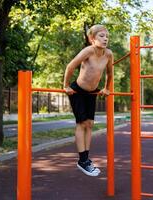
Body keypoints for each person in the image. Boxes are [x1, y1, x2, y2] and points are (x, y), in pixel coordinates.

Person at [63, 24, 113, 176]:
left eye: (107, 36)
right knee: (82, 123)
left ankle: (86, 159)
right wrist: (65, 85)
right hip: (77, 90)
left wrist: (107, 88)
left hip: (92, 92)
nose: (105, 39)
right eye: (101, 36)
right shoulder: (88, 51)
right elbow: (70, 66)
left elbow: (109, 74)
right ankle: (82, 160)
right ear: (92, 39)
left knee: (90, 124)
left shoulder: (108, 54)